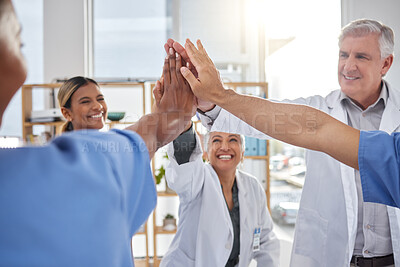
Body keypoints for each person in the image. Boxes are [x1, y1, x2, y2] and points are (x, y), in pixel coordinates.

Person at [167, 18, 400, 267]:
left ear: (386, 63)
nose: (348, 65)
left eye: (361, 57)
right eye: (344, 55)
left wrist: (219, 97)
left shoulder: (253, 187)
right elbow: (275, 119)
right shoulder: (320, 110)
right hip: (333, 258)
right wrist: (213, 102)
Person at [0, 1, 194, 265]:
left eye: (100, 98)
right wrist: (166, 119)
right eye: (85, 101)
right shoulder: (61, 168)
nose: (97, 107)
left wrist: (163, 120)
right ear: (66, 112)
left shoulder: (109, 149)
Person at [156, 120, 279, 266]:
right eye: (216, 140)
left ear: (243, 151)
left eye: (233, 139)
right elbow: (185, 169)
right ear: (206, 152)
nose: (225, 147)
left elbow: (266, 240)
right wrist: (184, 123)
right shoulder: (197, 179)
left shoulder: (253, 187)